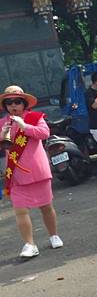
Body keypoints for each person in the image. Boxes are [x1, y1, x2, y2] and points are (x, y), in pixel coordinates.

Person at [0, 86, 63, 258]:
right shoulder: (2, 123)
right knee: (20, 210)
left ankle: (53, 235)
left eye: (17, 102)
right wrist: (2, 135)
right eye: (9, 102)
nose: (13, 106)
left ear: (24, 103)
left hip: (37, 170)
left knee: (46, 207)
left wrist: (25, 126)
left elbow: (44, 133)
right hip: (16, 174)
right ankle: (29, 244)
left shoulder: (35, 117)